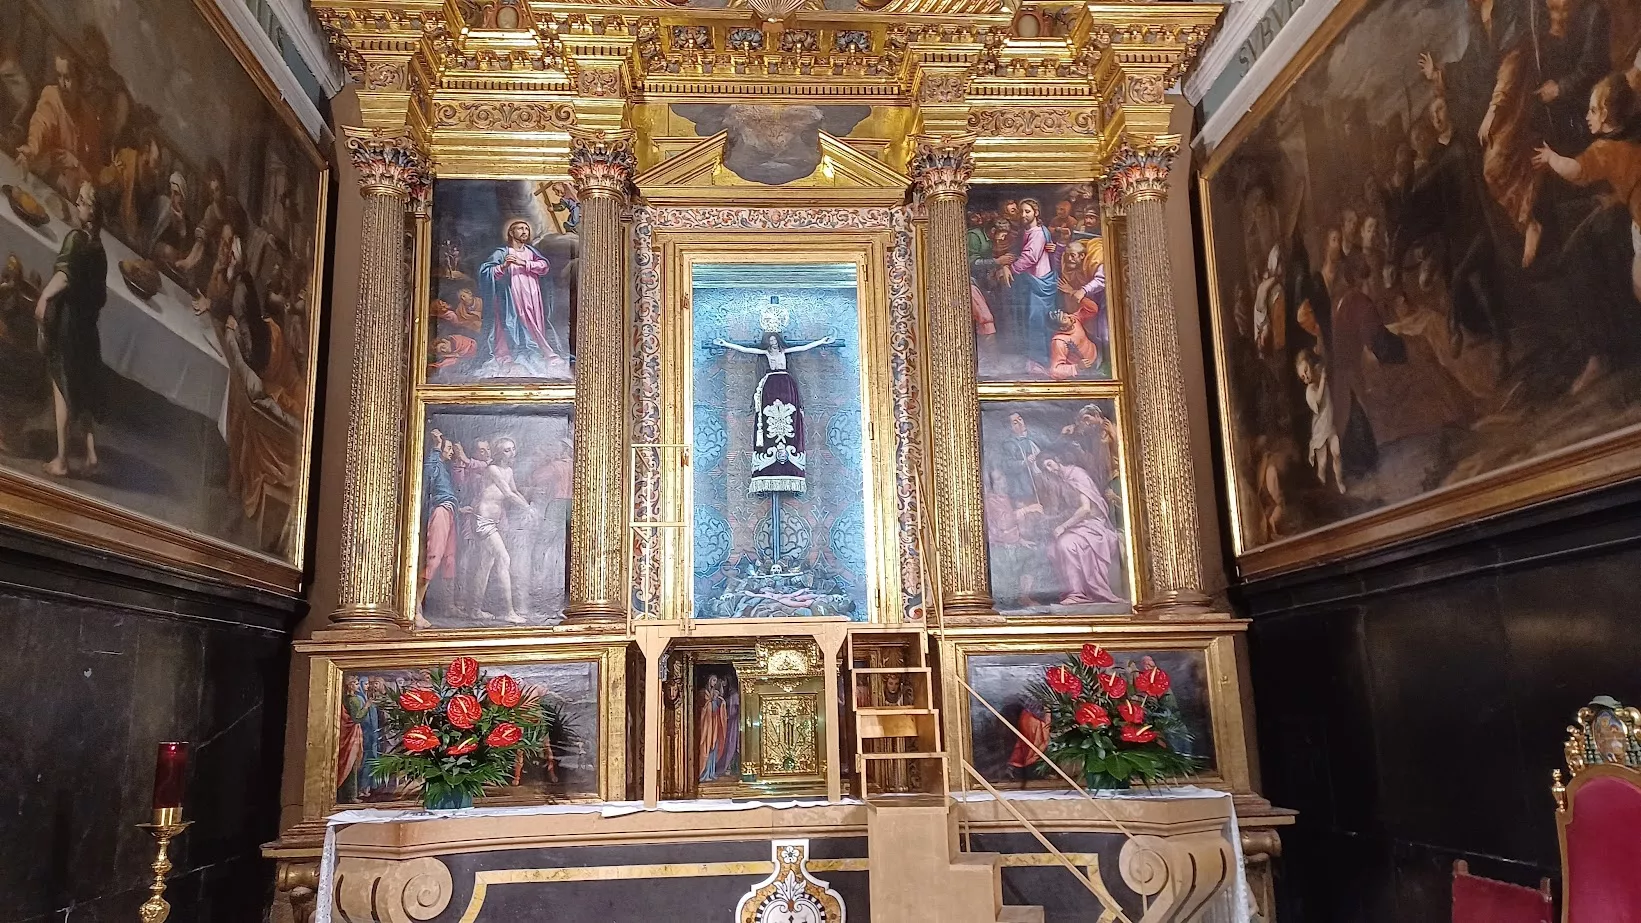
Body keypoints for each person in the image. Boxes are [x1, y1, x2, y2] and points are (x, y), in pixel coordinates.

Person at [712, 313, 836, 494]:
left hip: (785, 384)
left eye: (774, 340)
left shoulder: (784, 352)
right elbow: (746, 350)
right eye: (770, 341)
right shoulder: (766, 353)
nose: (773, 344)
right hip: (771, 385)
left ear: (778, 341)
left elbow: (803, 348)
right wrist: (726, 344)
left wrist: (821, 341)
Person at [34, 183, 105, 479]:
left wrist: (44, 297)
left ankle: (62, 460)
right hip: (88, 330)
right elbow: (100, 297)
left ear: (91, 212)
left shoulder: (75, 239)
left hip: (69, 324)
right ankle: (91, 453)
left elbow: (64, 277)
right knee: (84, 389)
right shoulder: (99, 250)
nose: (76, 204)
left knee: (61, 388)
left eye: (81, 201)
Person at [479, 218, 568, 377]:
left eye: (526, 229)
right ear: (511, 233)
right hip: (511, 295)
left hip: (532, 294)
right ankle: (513, 353)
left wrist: (524, 263)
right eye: (520, 228)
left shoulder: (531, 252)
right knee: (513, 321)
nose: (524, 231)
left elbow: (544, 266)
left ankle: (533, 350)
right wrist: (503, 266)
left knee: (533, 321)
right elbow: (486, 272)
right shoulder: (502, 253)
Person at [1039, 453, 1125, 606]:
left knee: (1066, 544)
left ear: (1057, 459)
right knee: (1052, 548)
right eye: (1046, 468)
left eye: (1050, 464)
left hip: (1093, 523)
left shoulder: (1077, 475)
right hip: (1078, 524)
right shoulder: (1061, 480)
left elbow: (1085, 509)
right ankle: (1073, 590)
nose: (1050, 469)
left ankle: (1077, 593)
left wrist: (1063, 526)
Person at [17, 52, 103, 199]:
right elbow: (41, 124)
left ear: (80, 81)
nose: (62, 84)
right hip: (43, 180)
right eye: (59, 76)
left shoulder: (89, 116)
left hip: (73, 193)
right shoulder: (51, 96)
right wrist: (32, 148)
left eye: (67, 78)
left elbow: (94, 162)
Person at [468, 436, 534, 624]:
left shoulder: (509, 471)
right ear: (498, 452)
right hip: (482, 521)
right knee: (504, 559)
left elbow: (515, 491)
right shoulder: (493, 469)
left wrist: (527, 503)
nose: (511, 452)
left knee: (485, 565)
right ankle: (509, 612)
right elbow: (508, 493)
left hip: (493, 522)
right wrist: (527, 508)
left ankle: (474, 610)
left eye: (513, 449)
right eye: (506, 450)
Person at [1005, 198, 1059, 363]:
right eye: (1021, 211)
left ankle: (1040, 360)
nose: (1023, 215)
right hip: (1034, 280)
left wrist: (1010, 269)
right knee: (1033, 319)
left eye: (1027, 211)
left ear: (1036, 213)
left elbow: (1030, 258)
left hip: (1039, 282)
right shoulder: (1029, 231)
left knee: (1037, 320)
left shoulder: (1037, 233)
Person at [419, 429, 460, 623]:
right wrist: (436, 447)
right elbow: (428, 473)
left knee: (449, 560)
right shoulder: (435, 463)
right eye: (449, 448)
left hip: (450, 511)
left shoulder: (445, 467)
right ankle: (416, 609)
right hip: (441, 512)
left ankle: (448, 605)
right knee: (434, 559)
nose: (451, 452)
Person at [1295, 349, 1344, 494]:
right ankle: (1322, 492)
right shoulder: (1310, 390)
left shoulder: (1319, 372)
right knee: (1321, 464)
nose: (1306, 377)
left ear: (1310, 365)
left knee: (1336, 453)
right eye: (1302, 377)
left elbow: (1326, 361)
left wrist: (1320, 351)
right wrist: (1322, 380)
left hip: (1330, 425)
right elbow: (1318, 401)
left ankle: (1340, 482)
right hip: (1320, 430)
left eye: (1306, 371)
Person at [697, 674, 730, 782]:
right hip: (707, 726)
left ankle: (711, 772)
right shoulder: (703, 693)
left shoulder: (715, 694)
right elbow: (704, 708)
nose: (715, 683)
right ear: (709, 680)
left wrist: (721, 703)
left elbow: (718, 708)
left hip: (715, 725)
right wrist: (712, 702)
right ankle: (704, 772)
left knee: (714, 746)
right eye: (713, 680)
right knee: (707, 747)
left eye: (716, 681)